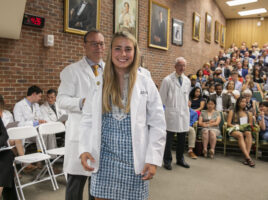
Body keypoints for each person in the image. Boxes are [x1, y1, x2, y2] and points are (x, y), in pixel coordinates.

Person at [79, 31, 166, 200]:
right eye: (118, 48)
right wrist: (84, 149)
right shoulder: (99, 83)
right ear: (110, 51)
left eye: (128, 49)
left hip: (135, 163)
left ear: (135, 52)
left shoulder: (145, 83)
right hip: (104, 161)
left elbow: (158, 123)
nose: (123, 54)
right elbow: (87, 119)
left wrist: (153, 159)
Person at [57, 29, 105, 200]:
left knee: (98, 185)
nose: (98, 47)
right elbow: (61, 100)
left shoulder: (111, 71)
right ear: (84, 45)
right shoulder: (71, 71)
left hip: (102, 135)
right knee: (76, 184)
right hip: (79, 134)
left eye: (101, 43)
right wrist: (82, 103)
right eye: (94, 43)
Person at [160, 57, 191, 170]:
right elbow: (161, 99)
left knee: (182, 139)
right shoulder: (167, 80)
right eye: (179, 65)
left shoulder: (187, 81)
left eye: (184, 65)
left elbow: (186, 96)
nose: (182, 68)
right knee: (168, 140)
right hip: (171, 114)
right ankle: (167, 160)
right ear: (175, 66)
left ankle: (180, 159)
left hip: (183, 114)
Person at [13, 85, 46, 153]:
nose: (40, 98)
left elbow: (40, 117)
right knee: (42, 135)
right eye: (39, 96)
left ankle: (49, 156)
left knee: (48, 133)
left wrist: (41, 121)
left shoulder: (36, 105)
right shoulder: (19, 105)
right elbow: (19, 124)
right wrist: (35, 123)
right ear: (34, 94)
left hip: (36, 130)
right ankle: (41, 155)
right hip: (25, 133)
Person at [226, 97, 255, 167]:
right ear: (238, 103)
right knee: (240, 134)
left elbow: (250, 125)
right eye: (242, 102)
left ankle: (246, 157)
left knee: (248, 133)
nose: (244, 103)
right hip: (234, 129)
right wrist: (236, 126)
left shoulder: (249, 113)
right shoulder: (232, 111)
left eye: (245, 102)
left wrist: (246, 126)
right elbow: (228, 124)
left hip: (244, 129)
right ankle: (248, 157)